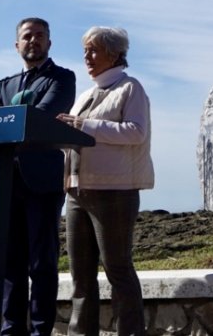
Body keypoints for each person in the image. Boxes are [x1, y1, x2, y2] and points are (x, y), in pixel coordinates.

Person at [56, 26, 154, 336]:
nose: (86, 56)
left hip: (114, 192)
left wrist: (84, 125)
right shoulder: (85, 95)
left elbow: (136, 132)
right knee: (80, 278)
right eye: (85, 50)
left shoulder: (130, 88)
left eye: (93, 50)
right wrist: (59, 133)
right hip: (75, 192)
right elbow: (80, 136)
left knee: (118, 271)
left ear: (114, 54)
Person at [0, 18, 77, 336]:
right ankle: (11, 331)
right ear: (17, 45)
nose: (33, 40)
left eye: (40, 36)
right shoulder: (5, 83)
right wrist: (4, 114)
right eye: (27, 36)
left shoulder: (61, 78)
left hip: (41, 182)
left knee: (41, 263)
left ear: (49, 42)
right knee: (10, 263)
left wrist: (5, 113)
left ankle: (40, 331)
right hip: (5, 182)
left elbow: (43, 115)